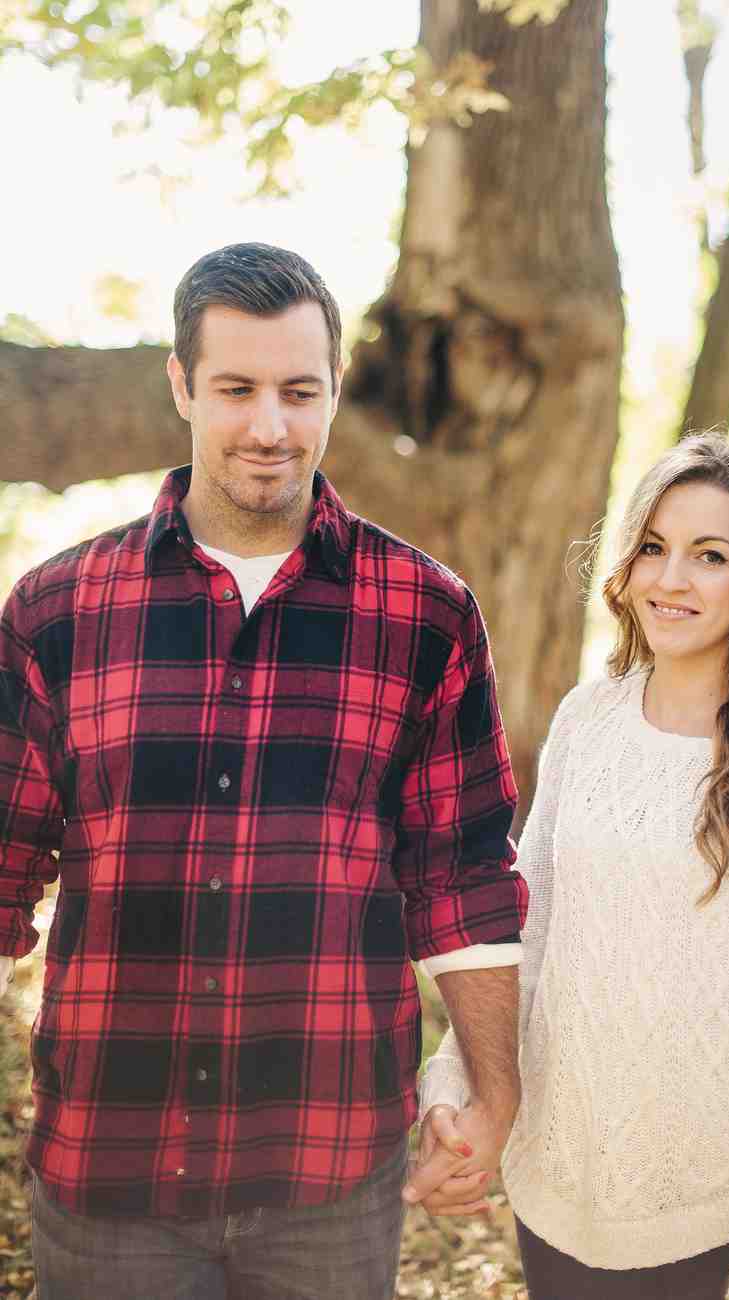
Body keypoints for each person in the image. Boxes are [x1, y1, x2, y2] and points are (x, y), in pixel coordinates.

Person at [0, 242, 527, 1300]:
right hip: (111, 1175)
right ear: (182, 385)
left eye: (299, 390)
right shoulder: (57, 611)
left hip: (329, 1183)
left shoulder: (423, 614)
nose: (269, 426)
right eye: (237, 389)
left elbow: (461, 879)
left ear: (335, 390)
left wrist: (494, 1096)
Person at [411, 434, 729, 1300]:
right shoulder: (588, 719)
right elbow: (528, 930)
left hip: (714, 1210)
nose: (672, 580)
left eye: (711, 556)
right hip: (557, 1183)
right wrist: (458, 1085)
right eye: (656, 548)